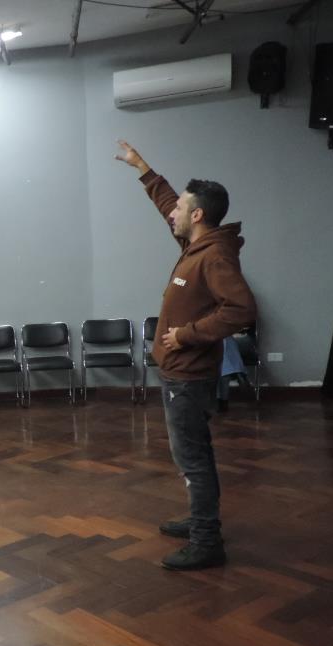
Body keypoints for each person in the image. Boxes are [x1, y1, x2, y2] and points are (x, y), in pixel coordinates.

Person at [116, 140, 257, 571]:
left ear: (197, 216)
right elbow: (167, 207)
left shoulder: (212, 255)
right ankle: (201, 519)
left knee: (192, 459)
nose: (172, 212)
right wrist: (143, 169)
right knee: (196, 454)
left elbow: (240, 309)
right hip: (182, 372)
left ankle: (206, 540)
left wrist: (188, 335)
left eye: (181, 208)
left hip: (189, 374)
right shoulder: (197, 245)